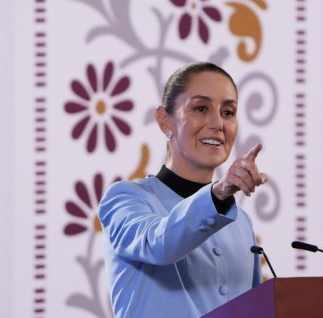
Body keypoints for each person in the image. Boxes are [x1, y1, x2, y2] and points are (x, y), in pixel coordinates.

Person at [98, 62, 268, 317]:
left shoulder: (241, 222)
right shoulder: (125, 199)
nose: (217, 123)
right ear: (165, 120)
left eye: (228, 112)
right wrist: (218, 194)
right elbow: (158, 244)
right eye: (201, 108)